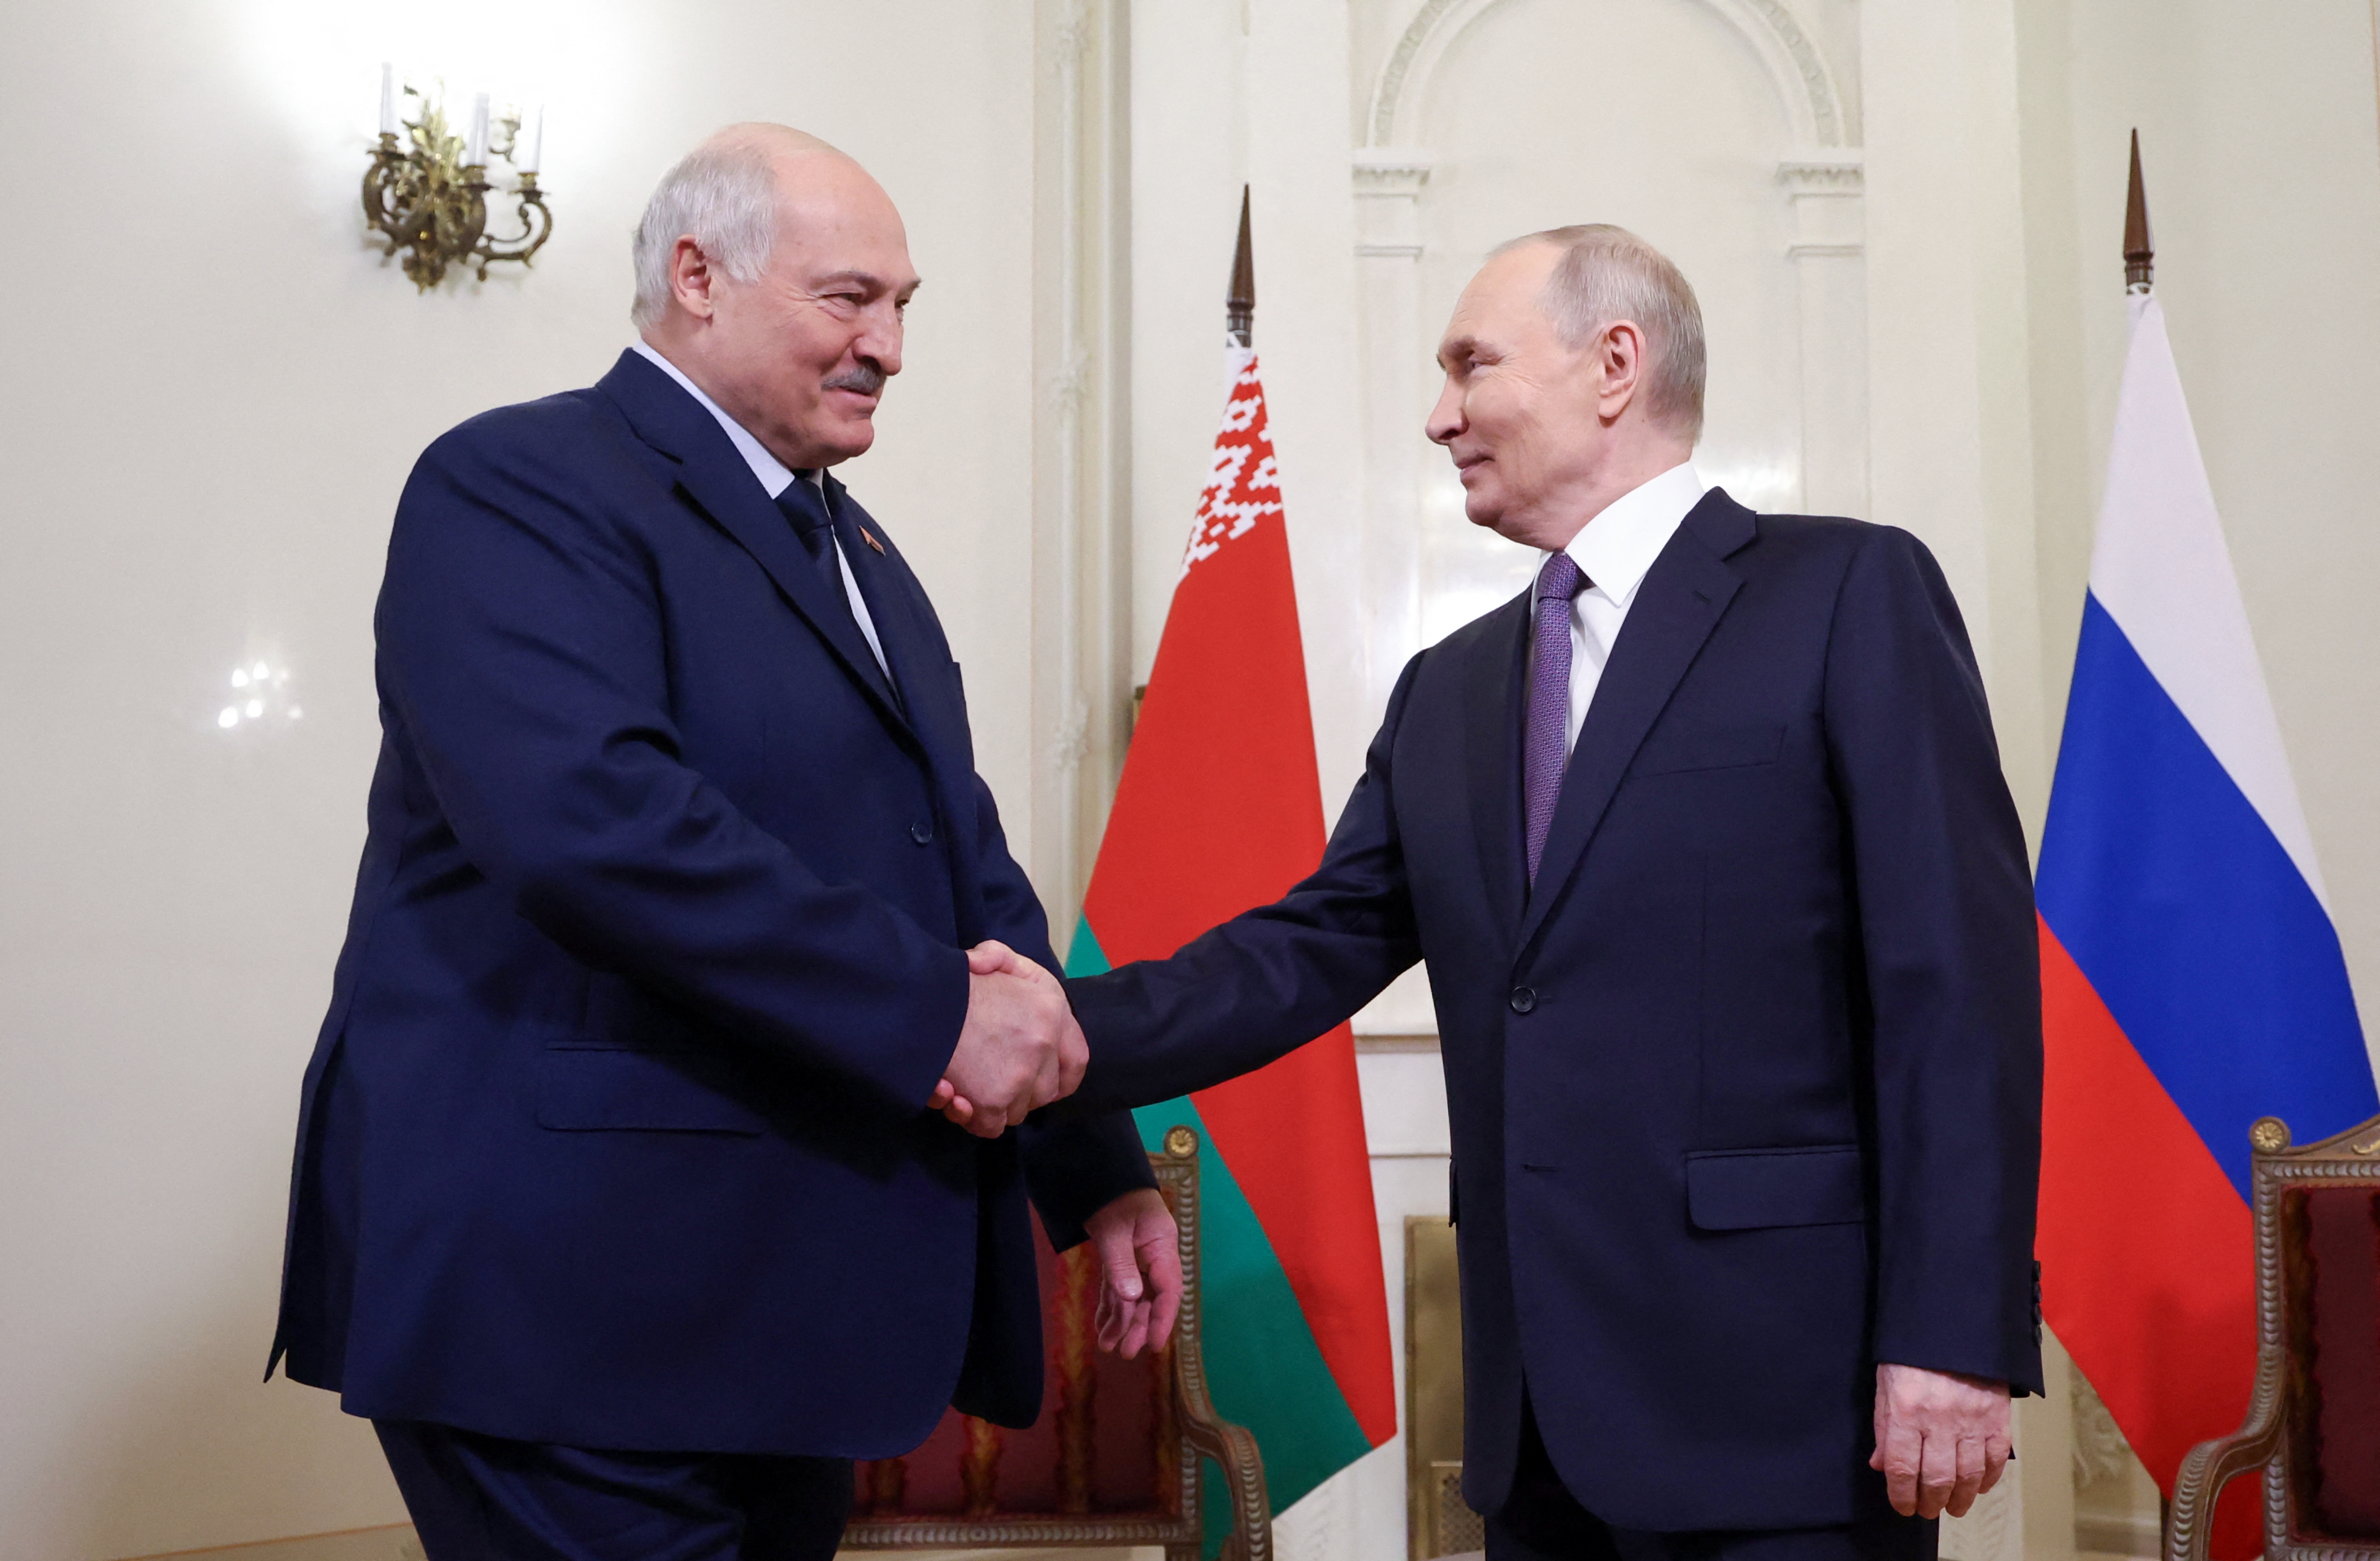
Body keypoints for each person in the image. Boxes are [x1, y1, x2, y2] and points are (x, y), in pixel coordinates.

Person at [1038, 226, 2043, 1561]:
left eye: (1471, 364)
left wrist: (1952, 1334)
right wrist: (1056, 1031)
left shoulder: (1848, 593)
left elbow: (1956, 990)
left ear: (1614, 364)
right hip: (1540, 1433)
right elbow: (1308, 948)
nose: (1439, 414)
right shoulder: (1448, 686)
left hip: (1789, 1411)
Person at [270, 124, 1180, 1561]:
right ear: (697, 275)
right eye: (848, 297)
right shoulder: (519, 483)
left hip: (773, 1311)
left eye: (904, 306)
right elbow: (596, 827)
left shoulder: (861, 554)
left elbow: (965, 872)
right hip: (571, 1301)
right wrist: (944, 1012)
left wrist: (1092, 1160)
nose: (889, 344)